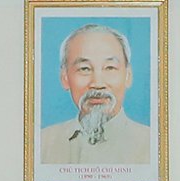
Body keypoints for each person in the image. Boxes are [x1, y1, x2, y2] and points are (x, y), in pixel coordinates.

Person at [34, 21, 153, 168]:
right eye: (84, 69)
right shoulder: (41, 144)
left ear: (128, 76)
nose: (97, 83)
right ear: (65, 78)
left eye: (110, 68)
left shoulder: (153, 145)